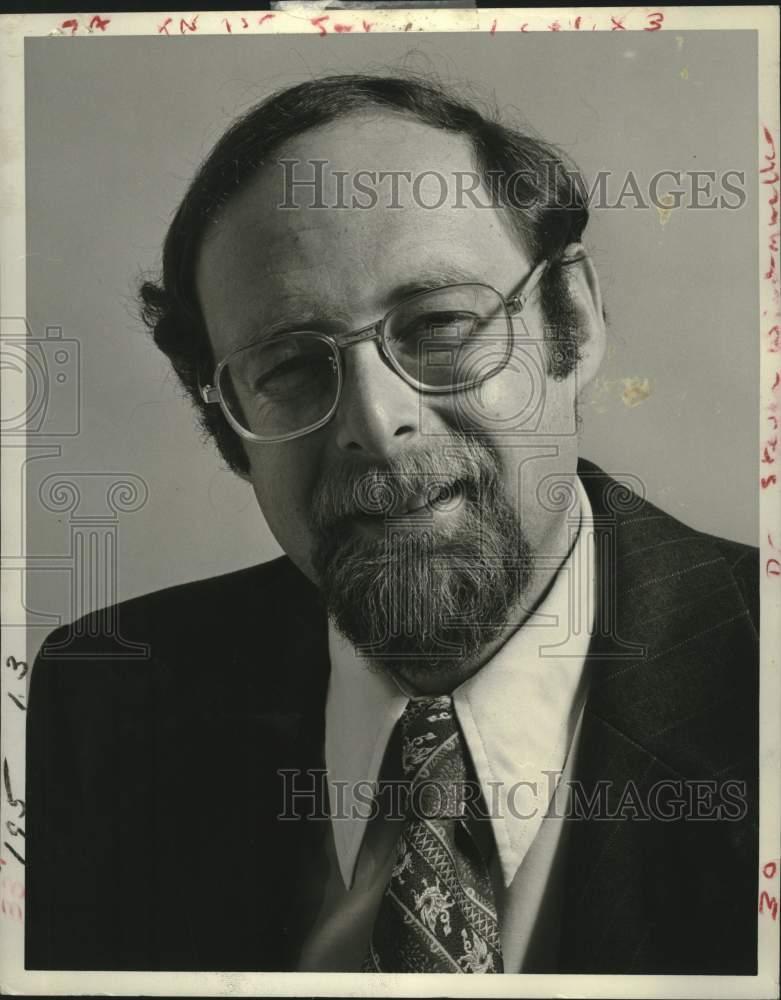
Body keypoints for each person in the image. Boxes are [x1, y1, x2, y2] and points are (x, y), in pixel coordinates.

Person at [26, 74, 759, 975]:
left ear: (575, 318)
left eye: (441, 324)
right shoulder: (98, 703)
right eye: (288, 365)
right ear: (228, 422)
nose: (375, 423)